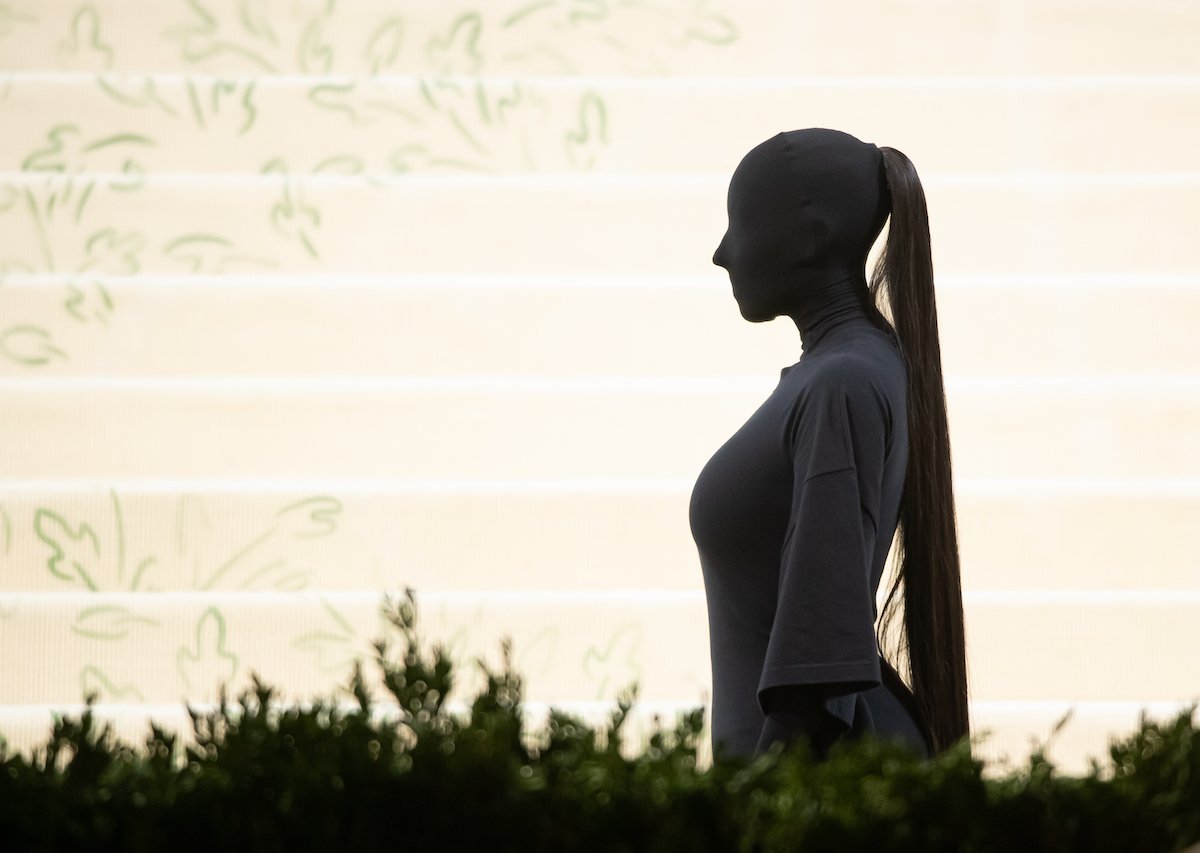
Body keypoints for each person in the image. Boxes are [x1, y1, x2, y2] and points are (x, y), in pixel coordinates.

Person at [688, 128, 970, 764]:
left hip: (824, 786)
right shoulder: (846, 373)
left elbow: (818, 661)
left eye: (740, 224)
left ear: (809, 235)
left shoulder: (843, 382)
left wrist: (764, 801)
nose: (721, 254)